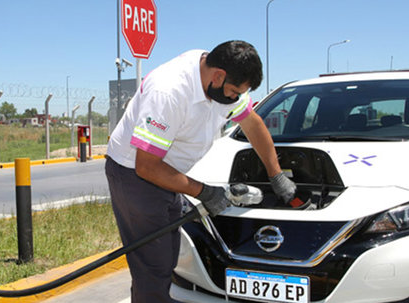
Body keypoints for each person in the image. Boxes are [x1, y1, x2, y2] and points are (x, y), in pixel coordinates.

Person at [104, 40, 296, 302]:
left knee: (168, 255)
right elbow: (147, 166)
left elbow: (252, 124)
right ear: (218, 76)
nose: (235, 99)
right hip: (135, 176)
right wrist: (205, 192)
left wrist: (276, 174)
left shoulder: (218, 78)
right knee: (153, 265)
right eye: (234, 92)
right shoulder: (168, 91)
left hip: (168, 173)